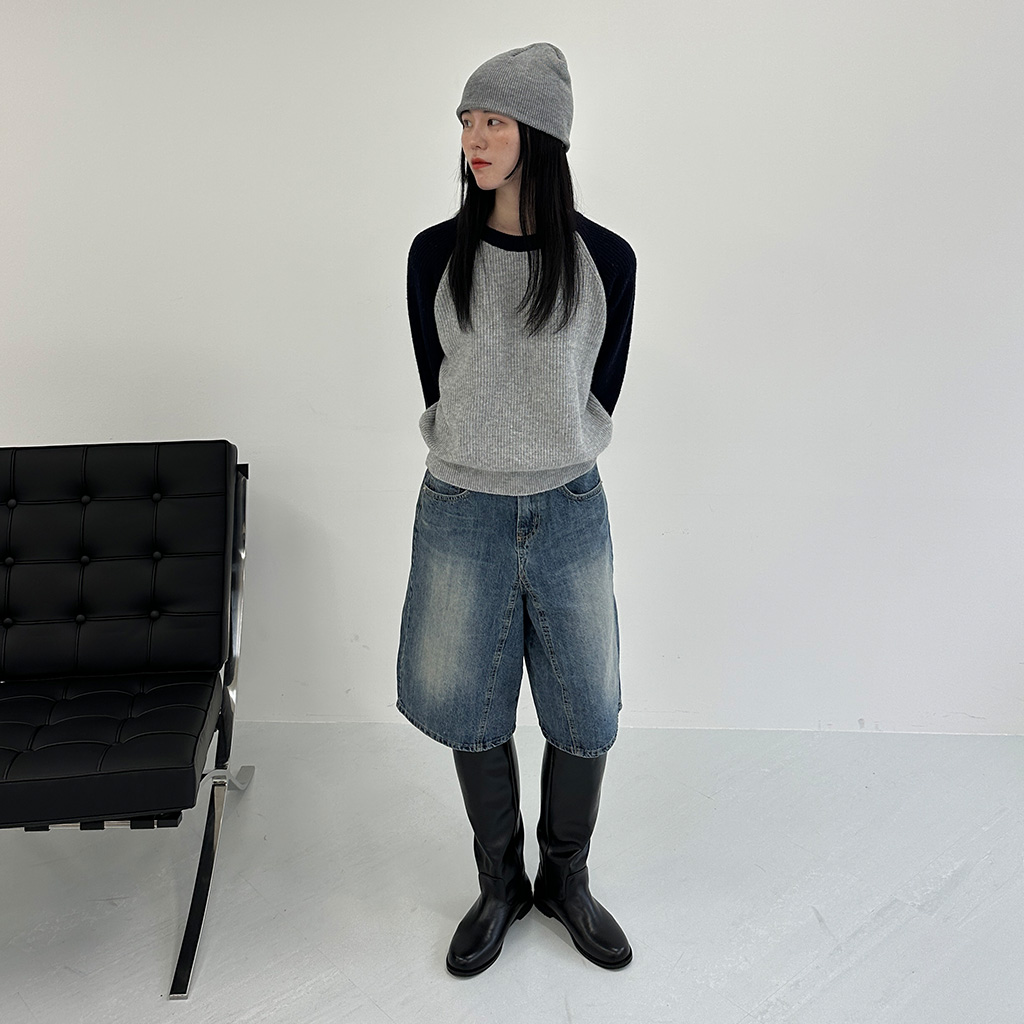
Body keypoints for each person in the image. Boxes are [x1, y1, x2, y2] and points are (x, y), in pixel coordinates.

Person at [397, 42, 636, 977]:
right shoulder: (434, 255)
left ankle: (565, 879)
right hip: (462, 510)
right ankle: (499, 883)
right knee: (470, 701)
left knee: (587, 705)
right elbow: (442, 384)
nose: (475, 139)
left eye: (494, 120)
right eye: (467, 120)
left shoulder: (605, 259)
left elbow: (600, 392)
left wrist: (546, 448)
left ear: (541, 134)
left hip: (569, 508)